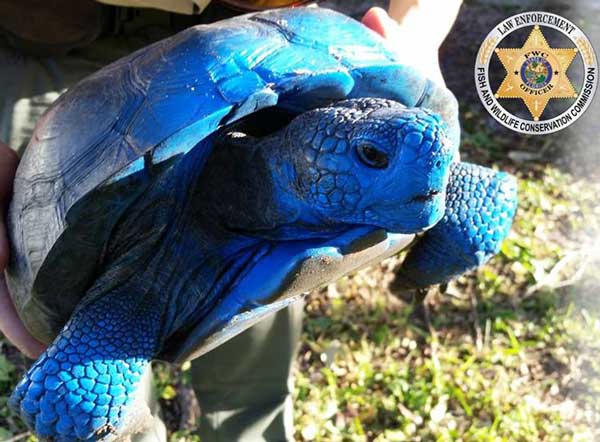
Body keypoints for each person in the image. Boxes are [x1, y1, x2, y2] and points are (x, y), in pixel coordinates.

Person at [0, 1, 461, 440]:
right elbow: (67, 401)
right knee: (87, 401)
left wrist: (416, 27)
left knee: (251, 380)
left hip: (269, 20)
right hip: (52, 39)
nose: (433, 179)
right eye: (372, 156)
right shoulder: (143, 257)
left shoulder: (359, 150)